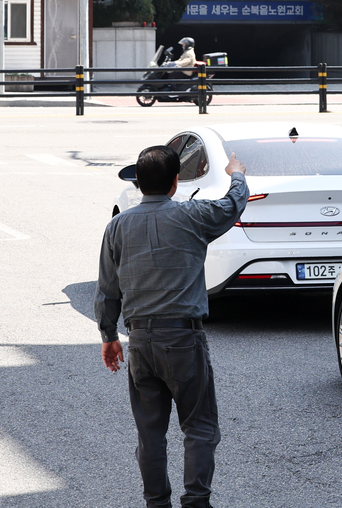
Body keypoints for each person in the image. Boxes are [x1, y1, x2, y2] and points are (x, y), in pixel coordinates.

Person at [96, 145, 249, 508]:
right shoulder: (192, 216)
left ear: (139, 183)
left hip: (139, 341)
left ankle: (156, 503)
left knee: (150, 433)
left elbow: (107, 289)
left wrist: (108, 336)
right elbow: (234, 203)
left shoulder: (117, 226)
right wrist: (236, 172)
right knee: (198, 427)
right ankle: (196, 501)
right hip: (182, 338)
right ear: (175, 182)